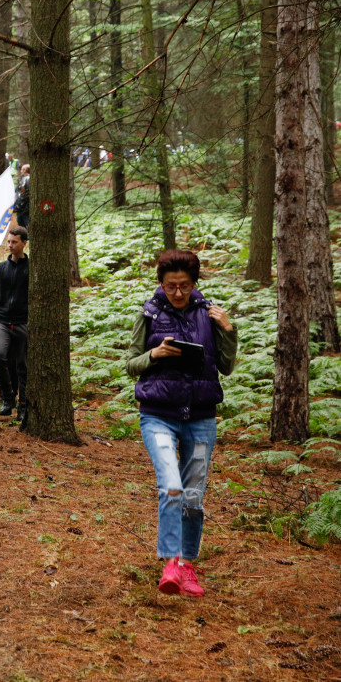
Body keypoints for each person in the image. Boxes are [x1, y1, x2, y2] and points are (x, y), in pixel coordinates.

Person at [126, 249, 238, 597]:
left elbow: (227, 366)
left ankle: (187, 565)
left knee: (192, 496)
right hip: (158, 415)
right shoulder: (148, 313)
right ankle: (170, 563)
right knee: (172, 486)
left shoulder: (208, 315)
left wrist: (229, 330)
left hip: (201, 417)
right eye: (172, 286)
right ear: (161, 283)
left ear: (194, 284)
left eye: (185, 286)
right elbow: (131, 364)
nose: (178, 292)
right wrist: (155, 354)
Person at [0, 227, 29, 422]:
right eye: (8, 242)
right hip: (1, 320)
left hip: (23, 322)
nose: (10, 246)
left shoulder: (31, 268)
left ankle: (24, 407)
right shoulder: (1, 268)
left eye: (14, 242)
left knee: (23, 366)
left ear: (24, 243)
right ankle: (7, 397)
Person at [15, 164, 31, 228]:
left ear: (25, 170)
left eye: (22, 169)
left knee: (26, 225)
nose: (21, 171)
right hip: (21, 207)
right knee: (21, 225)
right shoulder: (24, 179)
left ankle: (29, 238)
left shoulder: (27, 179)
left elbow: (25, 192)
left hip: (24, 208)